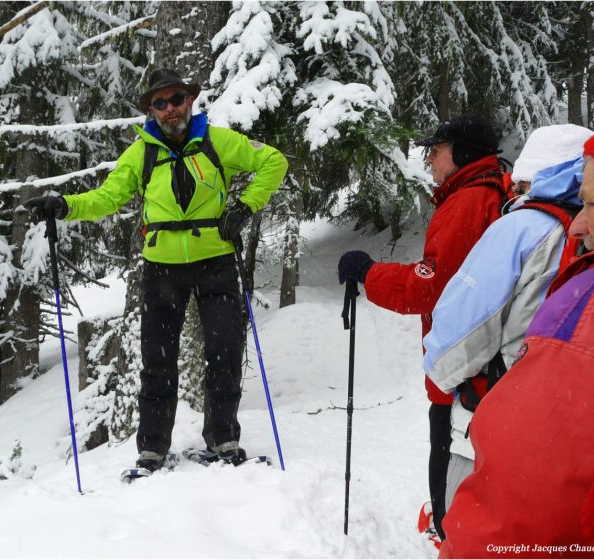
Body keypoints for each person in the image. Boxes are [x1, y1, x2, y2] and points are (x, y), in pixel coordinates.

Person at [26, 68, 288, 471]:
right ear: (151, 110)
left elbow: (273, 161)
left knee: (225, 351)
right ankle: (151, 449)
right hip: (162, 270)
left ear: (190, 101)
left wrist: (244, 208)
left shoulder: (218, 142)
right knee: (157, 360)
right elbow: (108, 197)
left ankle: (223, 438)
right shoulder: (142, 153)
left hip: (215, 261)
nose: (170, 110)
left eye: (176, 99)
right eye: (160, 104)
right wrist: (65, 206)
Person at [439, 120, 594, 559]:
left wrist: (441, 374)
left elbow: (461, 325)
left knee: (462, 509)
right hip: (555, 431)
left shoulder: (521, 227)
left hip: (494, 409)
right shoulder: (578, 232)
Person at [338, 114, 506, 542]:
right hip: (479, 361)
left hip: (462, 366)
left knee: (448, 447)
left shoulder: (468, 202)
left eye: (438, 149)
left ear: (463, 153)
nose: (429, 158)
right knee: (463, 449)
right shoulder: (483, 193)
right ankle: (455, 521)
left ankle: (450, 530)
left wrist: (369, 273)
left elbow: (430, 286)